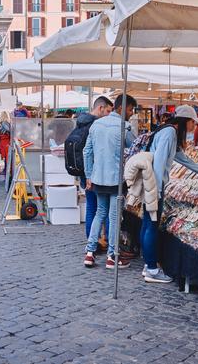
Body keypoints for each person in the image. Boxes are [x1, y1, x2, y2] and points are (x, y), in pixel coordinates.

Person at [141, 105, 198, 284]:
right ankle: (151, 268)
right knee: (151, 225)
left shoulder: (169, 133)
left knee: (147, 223)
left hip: (151, 184)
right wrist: (156, 191)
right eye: (193, 123)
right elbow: (158, 163)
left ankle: (148, 264)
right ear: (186, 121)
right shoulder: (169, 134)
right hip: (153, 185)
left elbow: (184, 160)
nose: (194, 127)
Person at [83, 94, 137, 270]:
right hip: (115, 179)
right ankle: (112, 256)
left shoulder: (96, 124)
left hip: (98, 177)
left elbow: (87, 152)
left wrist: (89, 175)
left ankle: (90, 253)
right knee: (114, 217)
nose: (131, 113)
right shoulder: (125, 127)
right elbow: (136, 148)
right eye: (130, 110)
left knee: (100, 213)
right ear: (121, 108)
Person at [72, 96, 114, 263]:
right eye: (109, 111)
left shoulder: (80, 121)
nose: (110, 115)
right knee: (104, 211)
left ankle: (92, 243)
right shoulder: (95, 124)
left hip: (85, 173)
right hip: (96, 174)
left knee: (92, 209)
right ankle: (103, 246)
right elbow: (90, 151)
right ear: (101, 108)